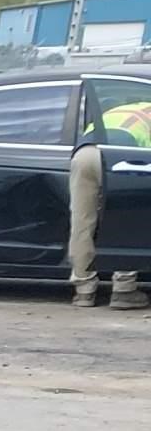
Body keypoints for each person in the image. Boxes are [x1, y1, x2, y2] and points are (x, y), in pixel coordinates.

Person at [71, 83, 151, 310]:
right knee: (127, 218)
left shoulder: (116, 111)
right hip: (121, 155)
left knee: (82, 222)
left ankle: (84, 290)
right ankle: (124, 290)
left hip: (84, 154)